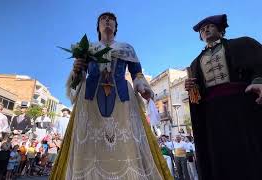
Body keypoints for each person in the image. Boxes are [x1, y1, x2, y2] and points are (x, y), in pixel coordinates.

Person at [50, 12, 172, 180]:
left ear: (115, 27)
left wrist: (142, 87)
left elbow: (137, 74)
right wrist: (77, 69)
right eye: (103, 19)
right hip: (89, 100)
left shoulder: (127, 48)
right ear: (98, 27)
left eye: (111, 20)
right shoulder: (88, 48)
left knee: (127, 142)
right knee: (88, 144)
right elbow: (79, 78)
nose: (107, 21)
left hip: (122, 99)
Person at [185, 14, 262, 180]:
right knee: (218, 153)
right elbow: (197, 96)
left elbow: (259, 64)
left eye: (210, 26)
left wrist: (258, 81)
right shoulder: (195, 63)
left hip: (241, 107)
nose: (205, 29)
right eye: (202, 29)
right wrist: (192, 89)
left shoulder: (242, 44)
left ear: (220, 30)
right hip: (213, 115)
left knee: (247, 150)